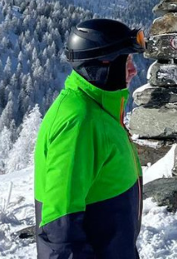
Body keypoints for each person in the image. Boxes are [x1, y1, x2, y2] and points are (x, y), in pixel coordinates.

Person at [35, 19, 143, 259]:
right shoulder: (79, 122)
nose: (134, 70)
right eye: (126, 62)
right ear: (103, 66)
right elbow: (59, 227)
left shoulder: (101, 110)